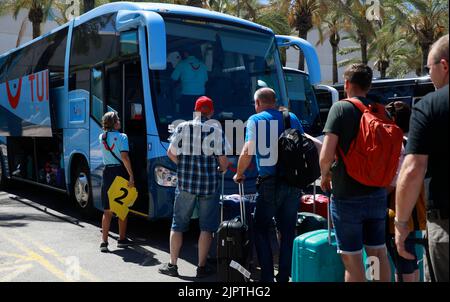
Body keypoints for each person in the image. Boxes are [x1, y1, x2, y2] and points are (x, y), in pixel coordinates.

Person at [320, 63, 391, 282]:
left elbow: (326, 154)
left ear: (347, 84)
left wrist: (325, 176)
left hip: (347, 196)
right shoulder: (381, 110)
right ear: (368, 86)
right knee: (376, 254)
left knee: (352, 259)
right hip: (377, 193)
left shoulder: (340, 108)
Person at [233, 88, 303, 282]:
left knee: (261, 228)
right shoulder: (292, 117)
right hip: (293, 183)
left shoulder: (256, 120)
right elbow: (305, 143)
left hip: (269, 183)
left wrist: (239, 173)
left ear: (257, 103)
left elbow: (248, 149)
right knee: (287, 230)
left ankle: (266, 277)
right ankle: (284, 275)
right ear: (274, 101)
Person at [395, 34, 449, 282]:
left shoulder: (430, 106)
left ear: (445, 66)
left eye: (430, 68)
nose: (430, 75)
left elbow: (413, 169)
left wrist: (401, 222)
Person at [158, 96, 229, 278]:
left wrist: (182, 165)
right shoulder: (216, 131)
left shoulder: (182, 127)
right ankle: (201, 268)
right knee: (206, 227)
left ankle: (173, 266)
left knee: (178, 224)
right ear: (211, 112)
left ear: (195, 111)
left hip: (186, 185)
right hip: (209, 186)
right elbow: (223, 162)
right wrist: (220, 168)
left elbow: (170, 153)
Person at [385, 101, 426, 282]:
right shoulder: (414, 142)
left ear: (393, 119)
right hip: (414, 210)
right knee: (408, 258)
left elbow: (395, 179)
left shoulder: (397, 144)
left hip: (397, 211)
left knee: (403, 259)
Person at [99, 111, 135, 253]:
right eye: (118, 120)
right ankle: (121, 239)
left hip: (107, 173)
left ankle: (104, 242)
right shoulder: (123, 137)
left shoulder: (102, 137)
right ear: (114, 123)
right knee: (122, 208)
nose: (120, 121)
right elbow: (125, 157)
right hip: (119, 172)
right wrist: (131, 175)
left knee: (107, 211)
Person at [171, 49, 208, 116]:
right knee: (198, 120)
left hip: (186, 96)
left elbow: (174, 78)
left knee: (186, 118)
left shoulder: (182, 64)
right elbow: (205, 80)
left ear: (186, 53)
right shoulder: (203, 65)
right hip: (200, 97)